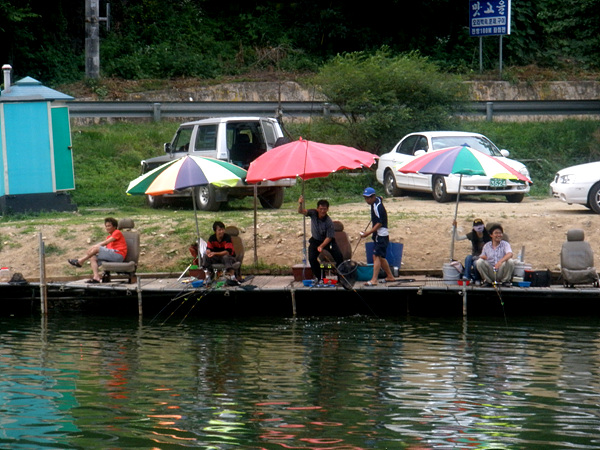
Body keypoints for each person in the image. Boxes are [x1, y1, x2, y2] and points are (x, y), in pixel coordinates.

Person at [298, 195, 344, 282]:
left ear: (327, 209)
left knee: (339, 257)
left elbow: (329, 237)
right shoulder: (313, 213)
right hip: (315, 240)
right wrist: (300, 204)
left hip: (327, 242)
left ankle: (341, 278)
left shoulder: (329, 222)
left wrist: (322, 246)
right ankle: (320, 277)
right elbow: (300, 211)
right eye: (321, 209)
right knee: (312, 258)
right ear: (317, 209)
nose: (322, 211)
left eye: (324, 209)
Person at [68, 217, 127, 283]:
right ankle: (96, 277)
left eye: (109, 226)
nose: (107, 228)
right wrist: (93, 250)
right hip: (112, 255)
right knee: (93, 257)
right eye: (106, 226)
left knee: (97, 248)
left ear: (114, 226)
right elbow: (106, 248)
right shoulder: (109, 237)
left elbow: (105, 242)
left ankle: (81, 261)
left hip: (118, 255)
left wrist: (94, 247)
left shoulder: (117, 232)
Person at [360, 187, 395, 286]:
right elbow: (380, 197)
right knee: (380, 257)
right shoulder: (377, 200)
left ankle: (374, 280)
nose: (367, 200)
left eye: (368, 198)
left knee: (376, 256)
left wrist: (367, 233)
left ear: (373, 197)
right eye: (365, 198)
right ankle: (390, 276)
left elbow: (379, 223)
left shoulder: (377, 207)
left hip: (381, 235)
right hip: (379, 235)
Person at [453, 218, 491, 285]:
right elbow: (458, 238)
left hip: (485, 257)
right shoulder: (472, 235)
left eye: (480, 225)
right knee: (468, 258)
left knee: (475, 263)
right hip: (475, 256)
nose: (479, 228)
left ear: (483, 226)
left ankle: (477, 278)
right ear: (473, 228)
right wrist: (455, 228)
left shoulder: (488, 235)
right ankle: (466, 277)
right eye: (477, 226)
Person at [475, 223, 515, 287]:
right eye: (496, 233)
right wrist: (484, 257)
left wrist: (500, 262)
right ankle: (487, 281)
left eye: (500, 233)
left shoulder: (505, 244)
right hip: (491, 270)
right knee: (479, 262)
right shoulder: (486, 246)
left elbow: (510, 254)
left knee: (510, 261)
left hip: (501, 270)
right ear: (491, 235)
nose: (498, 235)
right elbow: (482, 256)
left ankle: (505, 281)